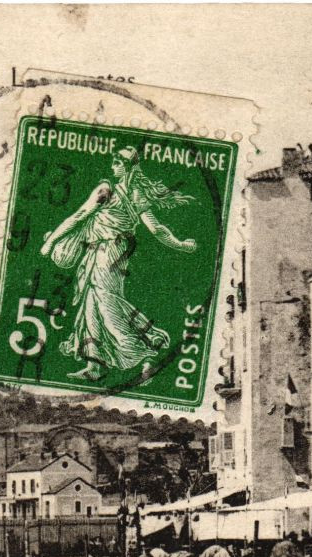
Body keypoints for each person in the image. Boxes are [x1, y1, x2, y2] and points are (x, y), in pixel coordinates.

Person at [39, 145, 200, 384]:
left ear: (126, 167)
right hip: (109, 251)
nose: (113, 166)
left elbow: (79, 216)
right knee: (92, 303)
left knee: (104, 302)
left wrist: (51, 242)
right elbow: (156, 229)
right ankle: (94, 366)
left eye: (117, 162)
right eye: (113, 162)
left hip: (108, 250)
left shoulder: (107, 190)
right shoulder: (137, 194)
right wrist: (182, 244)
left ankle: (145, 355)